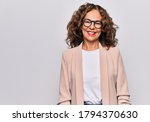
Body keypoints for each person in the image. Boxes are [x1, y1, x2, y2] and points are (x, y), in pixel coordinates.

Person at [57, 3, 131, 105]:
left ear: (103, 27)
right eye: (87, 22)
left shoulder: (114, 53)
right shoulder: (68, 56)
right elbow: (64, 99)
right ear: (80, 24)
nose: (92, 27)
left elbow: (123, 96)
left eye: (97, 23)